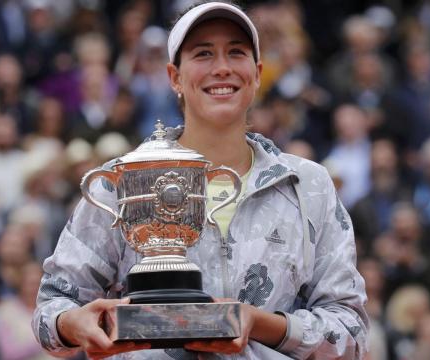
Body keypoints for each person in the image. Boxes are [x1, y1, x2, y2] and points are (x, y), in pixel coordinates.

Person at [32, 2, 368, 359]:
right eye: (203, 54)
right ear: (174, 76)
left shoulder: (308, 185)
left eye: (235, 53)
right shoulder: (123, 180)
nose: (222, 68)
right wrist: (74, 324)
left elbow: (351, 332)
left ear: (256, 73)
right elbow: (51, 309)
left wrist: (260, 323)